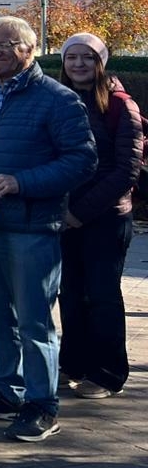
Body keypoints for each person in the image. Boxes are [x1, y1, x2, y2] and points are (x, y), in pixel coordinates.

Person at [0, 15, 95, 443]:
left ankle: (42, 404)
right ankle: (8, 390)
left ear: (28, 50)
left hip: (31, 227)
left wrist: (22, 182)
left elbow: (81, 161)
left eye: (3, 45)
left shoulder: (59, 99)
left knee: (34, 320)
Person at [55, 31, 140, 400]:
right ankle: (73, 364)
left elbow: (126, 170)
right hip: (64, 216)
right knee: (70, 294)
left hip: (106, 219)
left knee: (102, 296)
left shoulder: (122, 106)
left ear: (101, 62)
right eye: (71, 57)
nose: (78, 64)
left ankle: (107, 373)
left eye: (87, 57)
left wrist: (81, 212)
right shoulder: (57, 101)